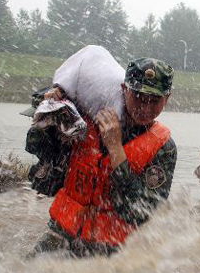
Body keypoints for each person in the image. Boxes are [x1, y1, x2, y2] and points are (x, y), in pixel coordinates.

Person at [31, 58, 177, 257]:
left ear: (167, 99)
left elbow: (139, 213)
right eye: (139, 97)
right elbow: (36, 147)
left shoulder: (163, 148)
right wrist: (50, 103)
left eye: (154, 101)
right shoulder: (85, 115)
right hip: (60, 234)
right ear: (124, 89)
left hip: (110, 253)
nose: (145, 107)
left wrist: (116, 149)